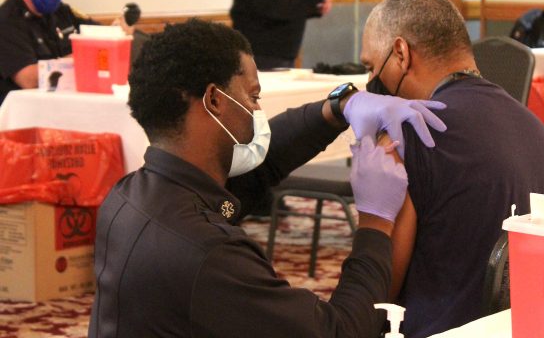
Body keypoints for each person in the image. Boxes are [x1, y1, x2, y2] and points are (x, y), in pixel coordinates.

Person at [87, 18, 448, 337]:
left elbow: (263, 167)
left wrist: (340, 107)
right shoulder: (210, 255)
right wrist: (375, 222)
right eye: (254, 97)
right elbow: (339, 332)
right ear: (215, 100)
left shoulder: (129, 196)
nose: (257, 110)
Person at [360, 0, 544, 337]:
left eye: (370, 66)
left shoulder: (408, 134)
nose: (369, 83)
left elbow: (374, 292)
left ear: (400, 54)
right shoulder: (531, 123)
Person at [0, 0, 132, 105]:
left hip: (72, 106)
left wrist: (116, 32)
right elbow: (27, 79)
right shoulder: (7, 21)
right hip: (30, 115)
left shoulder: (61, 12)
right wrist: (78, 59)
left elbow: (98, 34)